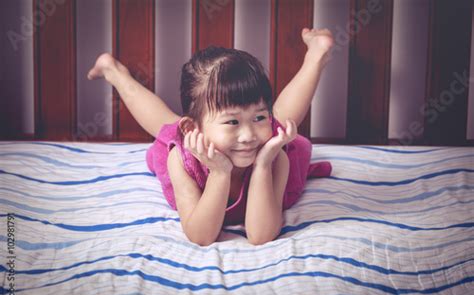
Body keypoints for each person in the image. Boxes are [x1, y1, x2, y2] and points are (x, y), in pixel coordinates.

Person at [87, 28, 334, 246]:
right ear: (193, 129)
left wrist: (262, 165)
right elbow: (201, 236)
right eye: (232, 122)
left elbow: (261, 236)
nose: (248, 136)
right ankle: (115, 72)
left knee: (283, 120)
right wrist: (219, 172)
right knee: (163, 123)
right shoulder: (181, 159)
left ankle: (316, 56)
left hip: (258, 152)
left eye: (260, 116)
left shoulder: (274, 155)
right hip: (201, 148)